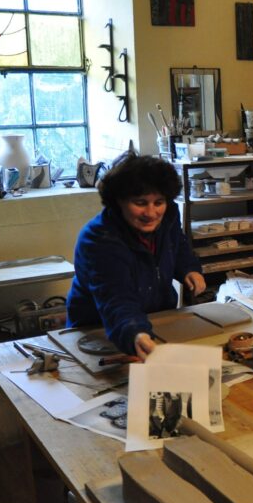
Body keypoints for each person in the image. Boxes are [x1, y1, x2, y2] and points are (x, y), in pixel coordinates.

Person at [66, 153, 206, 358]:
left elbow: (178, 246)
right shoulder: (98, 239)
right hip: (99, 330)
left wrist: (189, 268)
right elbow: (116, 299)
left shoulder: (168, 216)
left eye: (158, 202)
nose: (151, 213)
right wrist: (134, 332)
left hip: (154, 319)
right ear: (118, 201)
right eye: (140, 203)